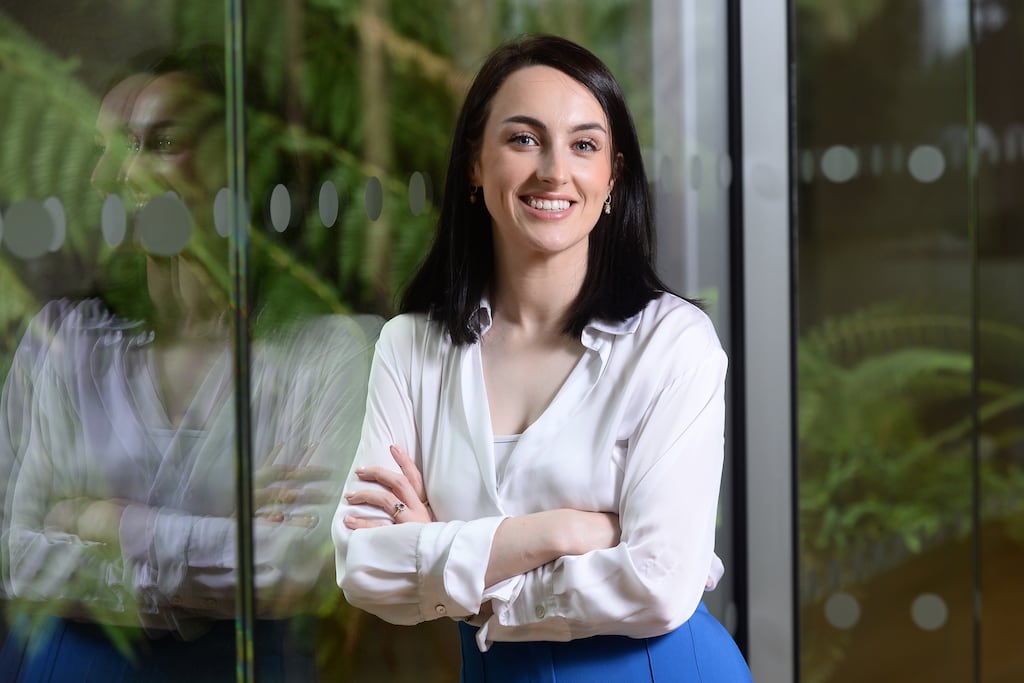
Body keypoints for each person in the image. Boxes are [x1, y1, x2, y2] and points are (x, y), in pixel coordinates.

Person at [332, 34, 753, 681]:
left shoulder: (672, 342)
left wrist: (460, 574)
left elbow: (660, 581)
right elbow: (363, 565)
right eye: (524, 139)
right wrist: (561, 532)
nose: (555, 170)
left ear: (613, 175)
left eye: (584, 144)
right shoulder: (410, 347)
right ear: (474, 164)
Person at [0, 48, 379, 682]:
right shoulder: (66, 342)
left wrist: (101, 520)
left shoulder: (333, 351)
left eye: (162, 142)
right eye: (112, 148)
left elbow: (301, 567)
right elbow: (13, 556)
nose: (116, 174)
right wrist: (214, 540)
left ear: (246, 164)